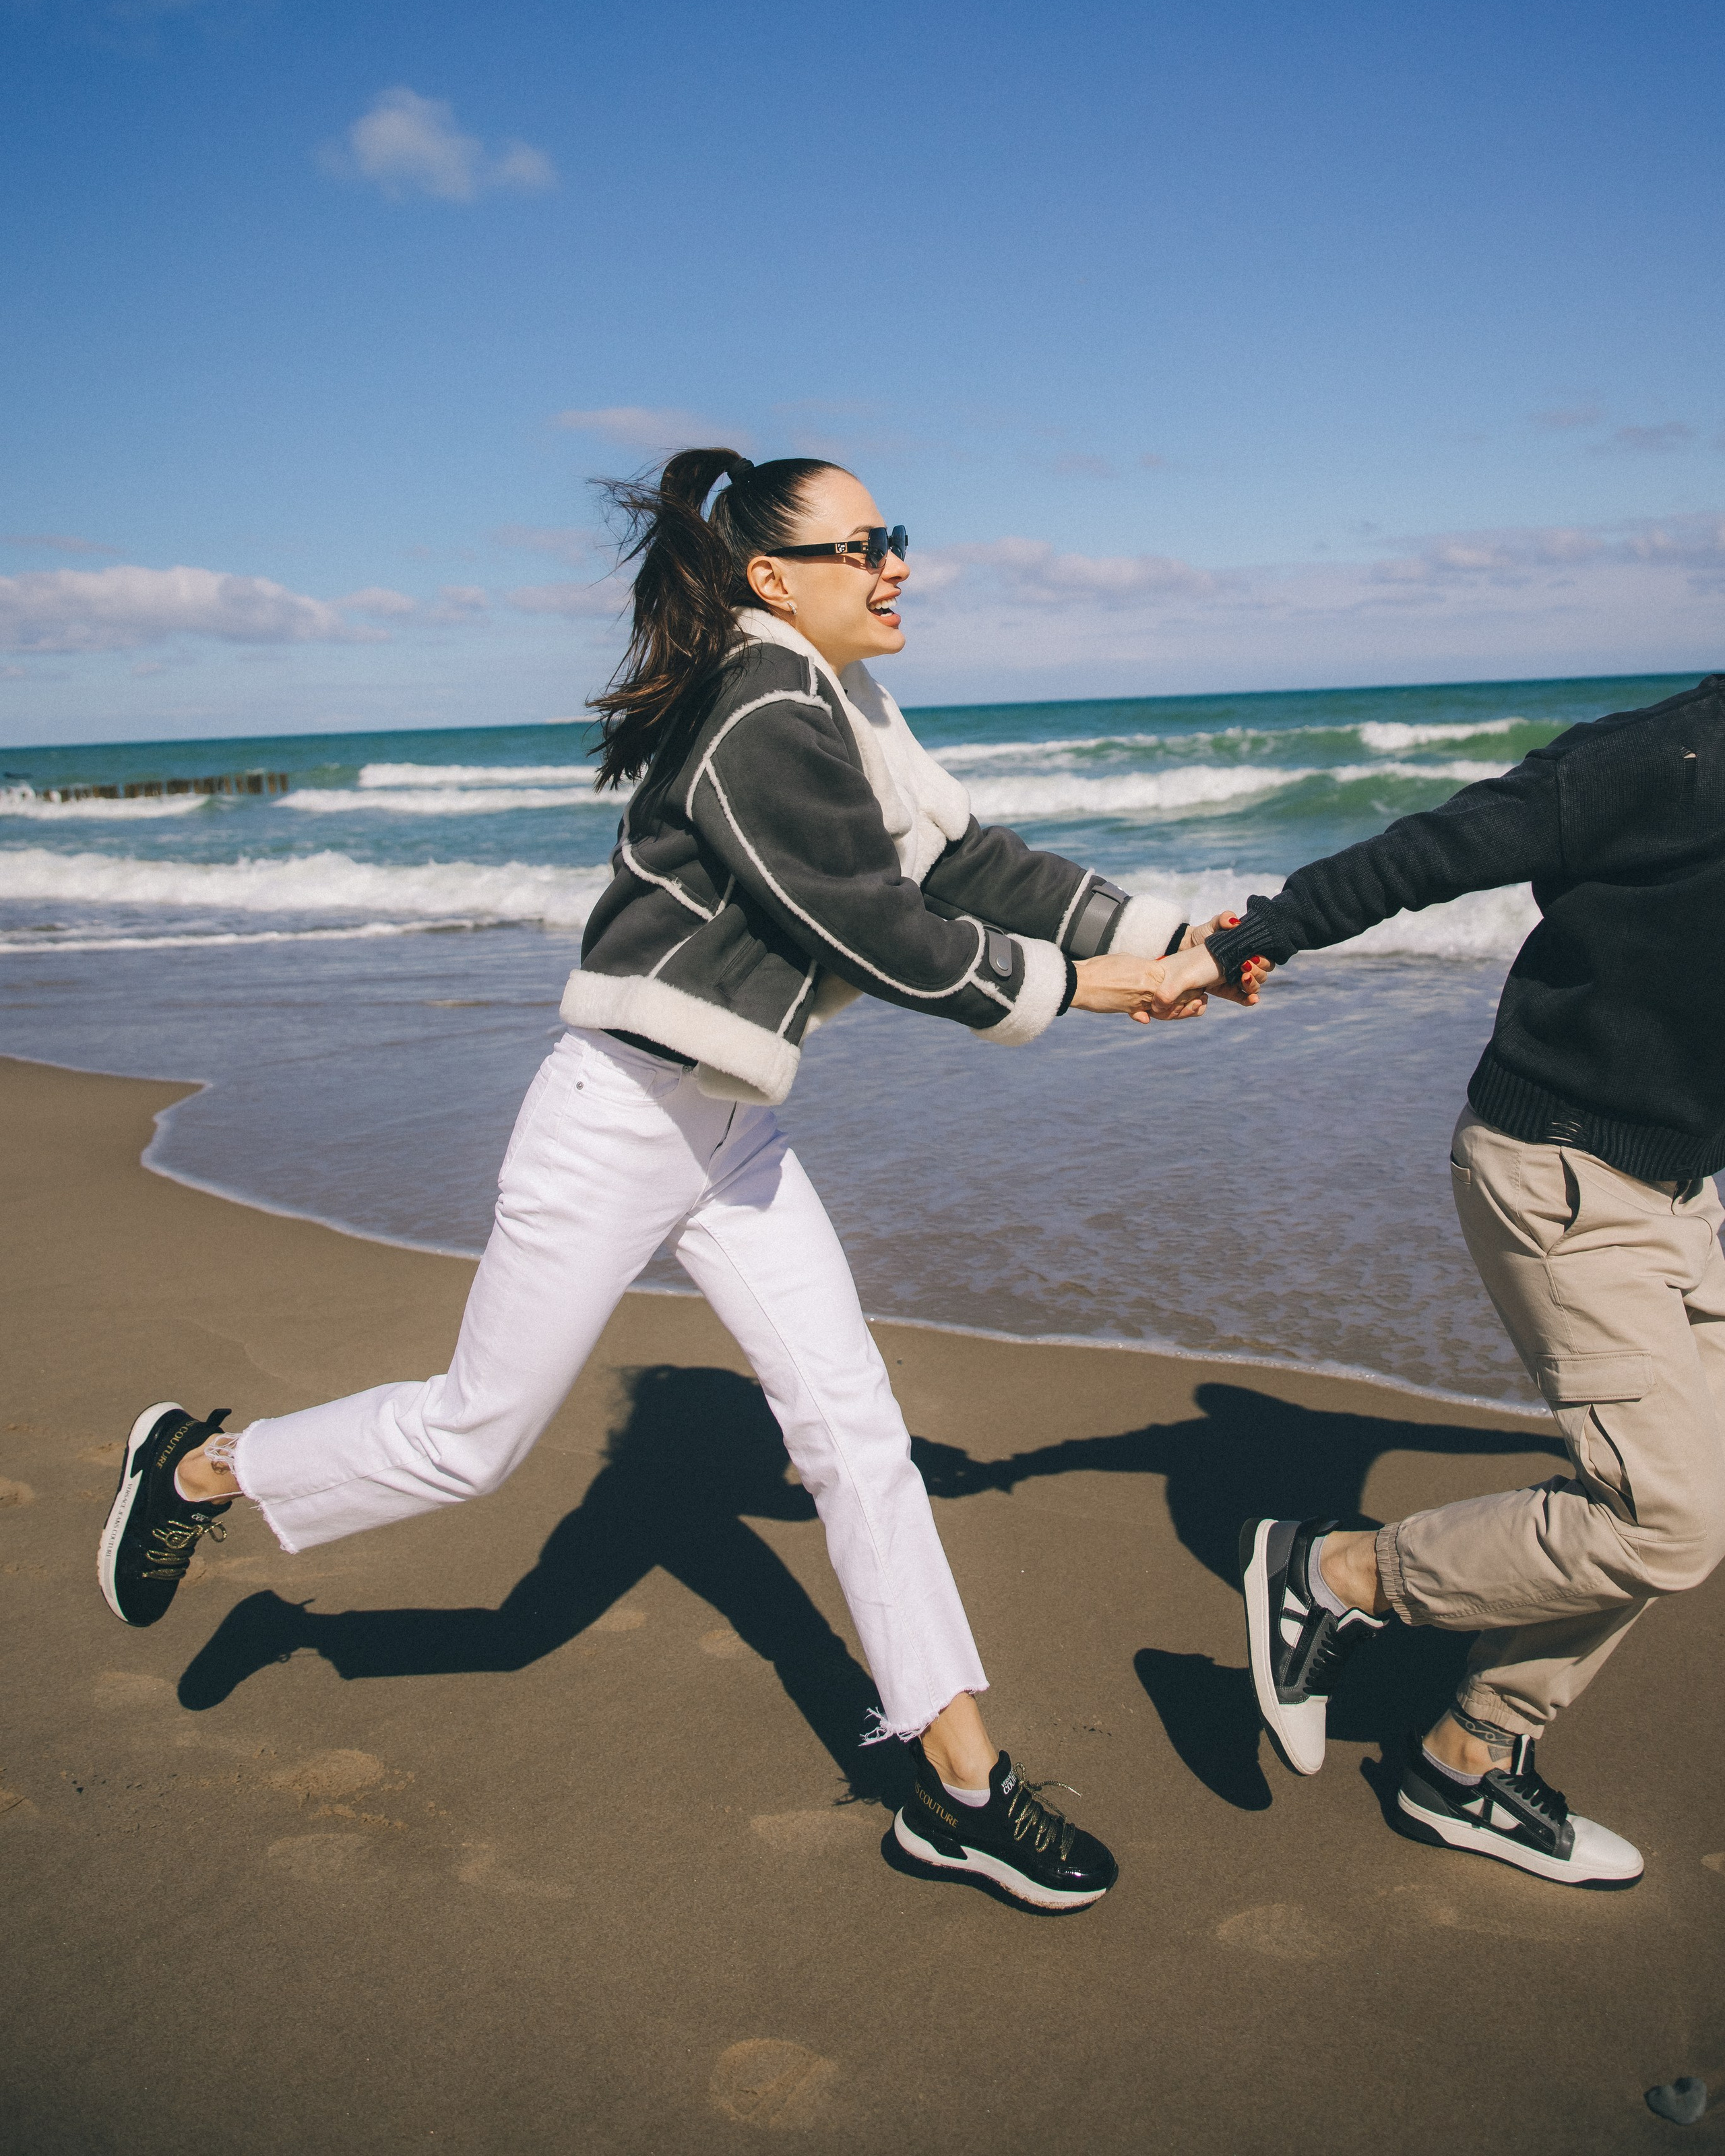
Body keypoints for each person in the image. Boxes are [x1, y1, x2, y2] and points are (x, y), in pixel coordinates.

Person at [97, 447, 1245, 1913]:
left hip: (728, 1128)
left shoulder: (844, 705)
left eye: (896, 535)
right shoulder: (756, 707)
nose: (897, 562)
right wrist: (1094, 987)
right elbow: (870, 922)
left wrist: (1177, 931)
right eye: (862, 544)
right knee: (471, 1443)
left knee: (857, 1437)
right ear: (773, 579)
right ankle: (198, 1465)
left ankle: (960, 1788)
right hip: (617, 1115)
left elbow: (964, 861)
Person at [1154, 675, 1725, 1888]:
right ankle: (1334, 1574)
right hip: (1564, 1173)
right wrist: (1250, 938)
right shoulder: (1666, 757)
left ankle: (1464, 1760)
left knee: (1688, 1490)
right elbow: (1435, 847)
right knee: (1664, 1519)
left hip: (1685, 1194)